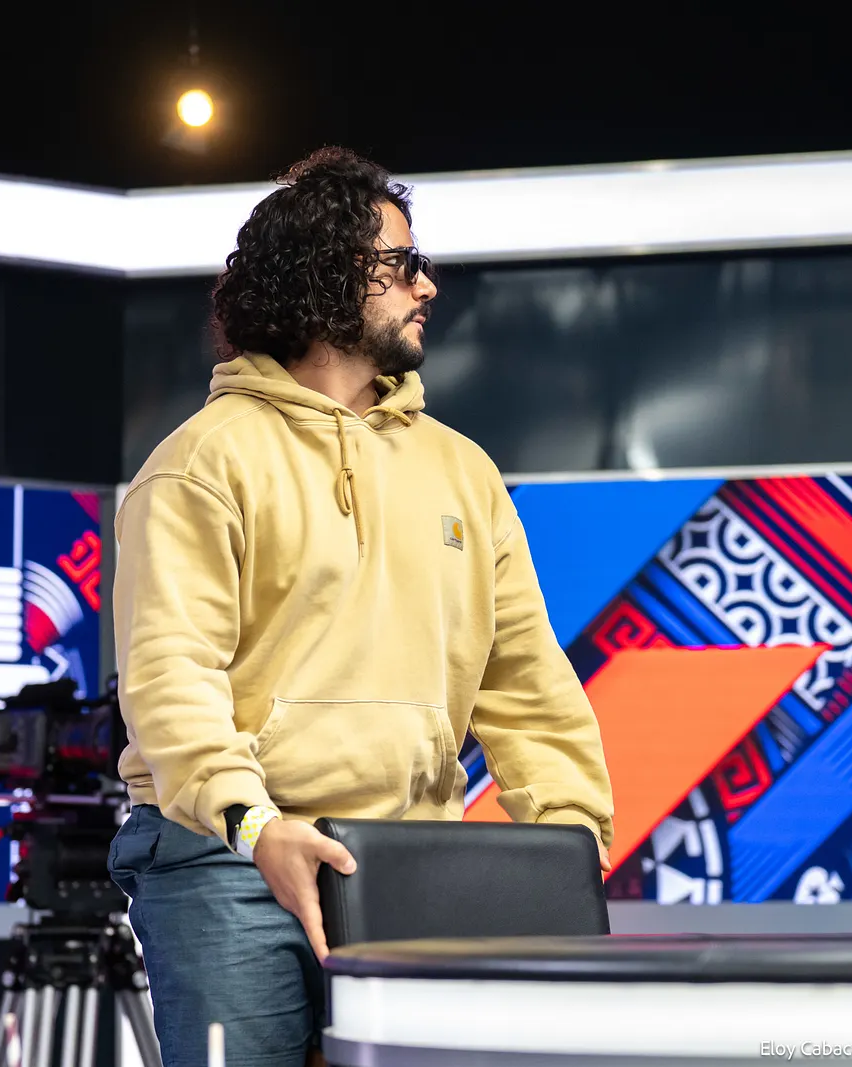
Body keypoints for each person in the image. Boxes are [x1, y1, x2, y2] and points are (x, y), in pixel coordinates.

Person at [107, 146, 614, 1067]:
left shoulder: (462, 470)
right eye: (403, 262)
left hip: (410, 863)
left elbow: (526, 680)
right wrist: (254, 825)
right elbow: (172, 676)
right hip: (231, 859)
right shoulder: (200, 462)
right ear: (325, 273)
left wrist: (575, 841)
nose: (428, 285)